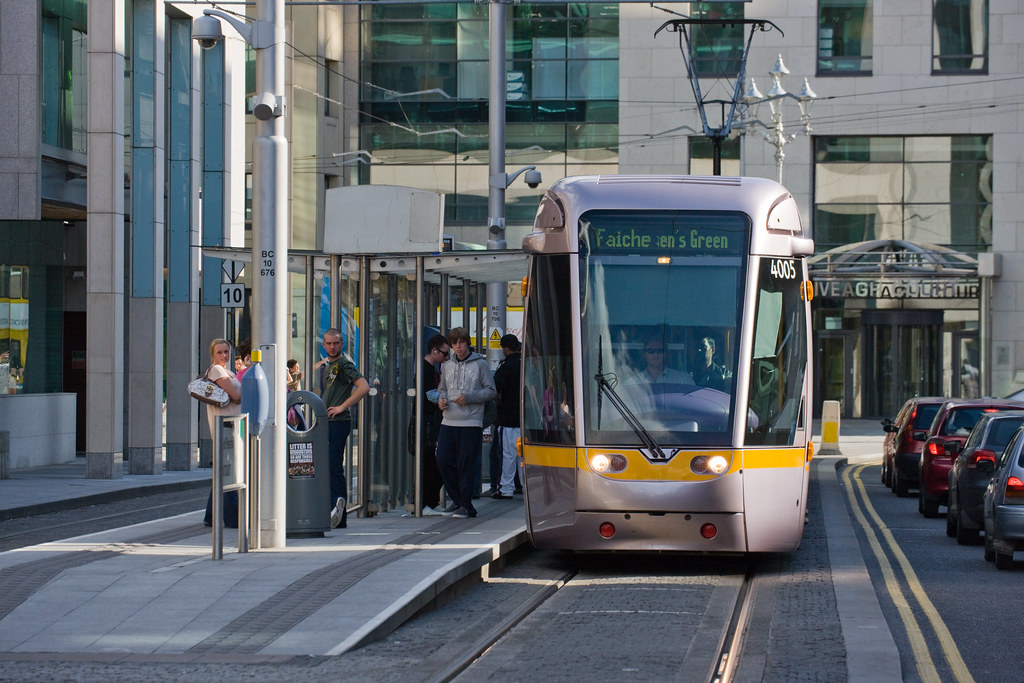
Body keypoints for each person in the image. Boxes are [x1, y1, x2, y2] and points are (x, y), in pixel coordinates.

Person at [436, 327, 496, 519]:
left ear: (467, 343)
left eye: (461, 342)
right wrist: (442, 400)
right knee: (443, 460)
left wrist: (470, 397)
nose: (458, 346)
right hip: (448, 420)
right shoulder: (447, 366)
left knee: (466, 464)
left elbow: (491, 391)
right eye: (454, 343)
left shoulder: (480, 364)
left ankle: (466, 505)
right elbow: (442, 389)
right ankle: (459, 500)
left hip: (471, 422)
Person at [319, 328, 371, 529]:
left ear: (342, 344)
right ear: (324, 345)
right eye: (329, 343)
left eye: (336, 343)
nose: (332, 347)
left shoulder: (344, 365)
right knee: (330, 467)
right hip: (329, 422)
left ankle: (338, 514)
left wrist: (342, 406)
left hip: (338, 422)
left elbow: (364, 387)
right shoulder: (330, 365)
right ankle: (334, 511)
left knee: (334, 466)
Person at [202, 338, 242, 528]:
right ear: (213, 354)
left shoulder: (230, 372)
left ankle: (211, 516)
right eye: (219, 352)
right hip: (224, 426)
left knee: (223, 471)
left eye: (226, 351)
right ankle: (233, 517)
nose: (224, 355)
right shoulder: (216, 370)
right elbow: (237, 395)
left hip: (231, 425)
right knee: (230, 472)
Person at [408, 334, 450, 515]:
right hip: (425, 421)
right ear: (434, 351)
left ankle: (428, 502)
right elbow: (429, 394)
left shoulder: (430, 369)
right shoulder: (425, 370)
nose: (446, 358)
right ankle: (425, 502)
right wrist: (448, 399)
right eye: (444, 354)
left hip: (427, 420)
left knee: (432, 462)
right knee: (431, 462)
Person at [491, 334, 522, 499]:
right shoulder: (526, 364)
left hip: (508, 419)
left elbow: (496, 390)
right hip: (526, 420)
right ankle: (525, 486)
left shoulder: (505, 367)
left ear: (506, 348)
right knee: (523, 456)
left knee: (507, 456)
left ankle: (506, 489)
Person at [626, 334, 694, 385]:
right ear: (644, 355)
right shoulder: (632, 382)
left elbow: (692, 402)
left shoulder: (684, 380)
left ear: (666, 354)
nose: (655, 354)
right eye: (651, 351)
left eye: (660, 351)